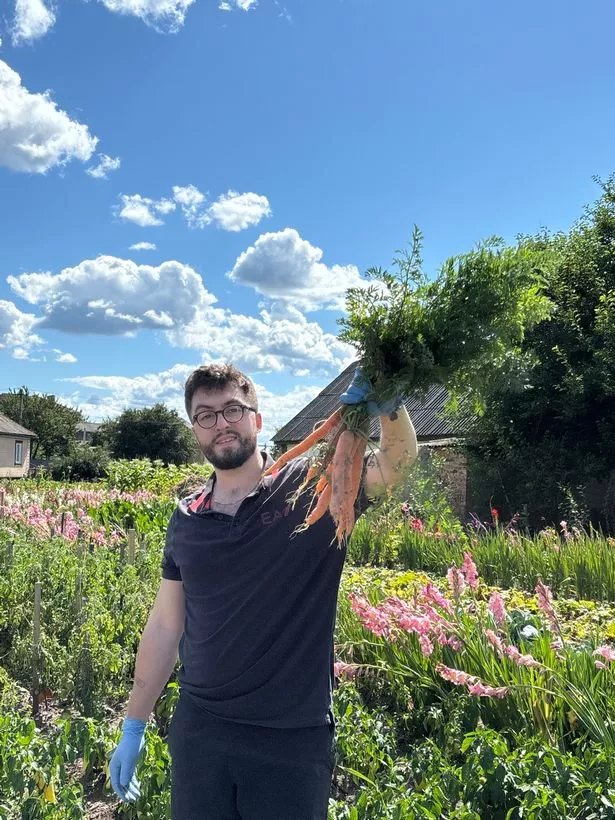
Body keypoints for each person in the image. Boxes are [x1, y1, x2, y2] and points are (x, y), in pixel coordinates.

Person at [109, 363, 417, 819]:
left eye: (233, 408)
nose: (221, 423)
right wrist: (134, 723)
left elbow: (397, 465)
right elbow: (164, 625)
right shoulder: (186, 518)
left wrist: (389, 405)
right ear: (195, 431)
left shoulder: (312, 486)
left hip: (289, 739)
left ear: (256, 419)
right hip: (200, 731)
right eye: (205, 415)